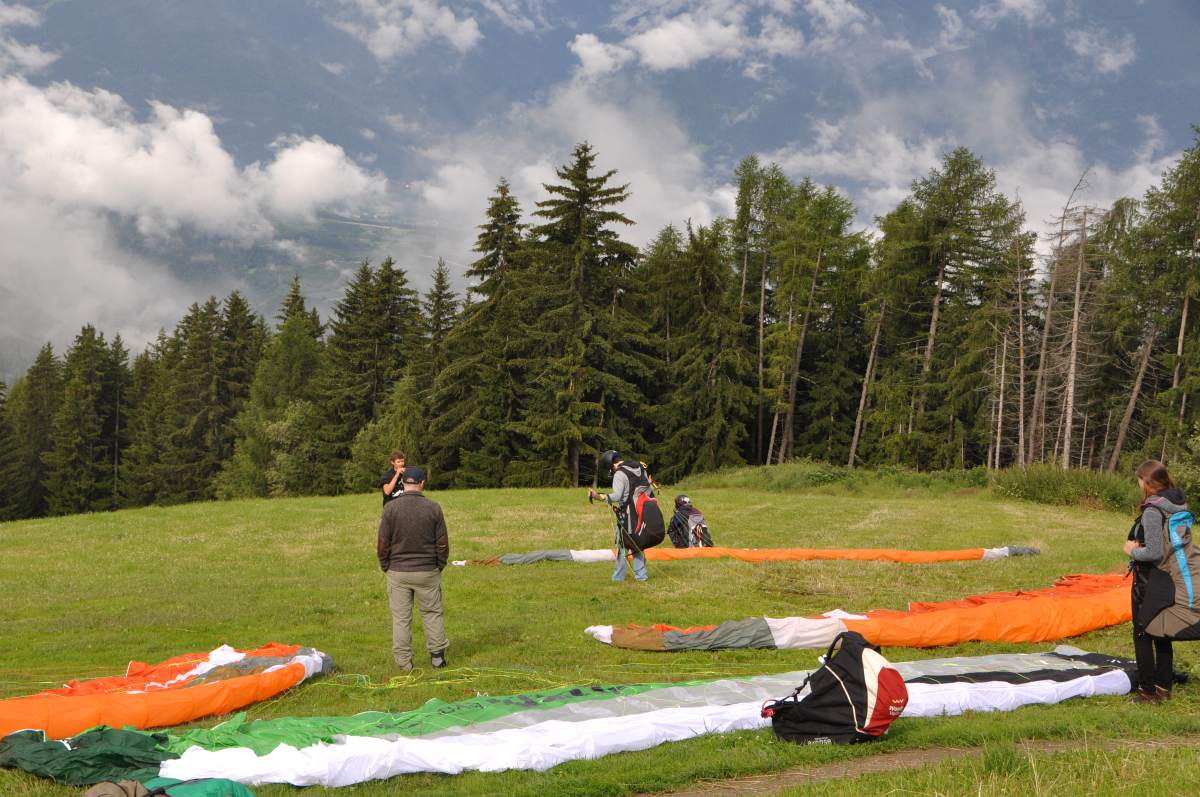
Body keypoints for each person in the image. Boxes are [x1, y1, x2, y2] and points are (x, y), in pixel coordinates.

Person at [1123, 459, 1200, 703]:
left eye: (1139, 480)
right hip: (1170, 578)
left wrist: (1132, 550)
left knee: (1143, 632)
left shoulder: (1153, 511)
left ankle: (1148, 691)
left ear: (1147, 482)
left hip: (1152, 578)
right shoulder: (1177, 504)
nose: (1138, 484)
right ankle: (1163, 688)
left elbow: (1154, 552)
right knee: (1160, 629)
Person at [377, 466, 449, 671]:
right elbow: (442, 543)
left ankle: (404, 663)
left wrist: (385, 566)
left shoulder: (390, 508)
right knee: (432, 613)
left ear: (402, 483)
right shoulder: (434, 508)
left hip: (398, 571)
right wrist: (439, 565)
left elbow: (382, 543)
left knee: (401, 618)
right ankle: (437, 659)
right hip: (427, 571)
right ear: (422, 483)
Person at [588, 450, 664, 582]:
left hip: (628, 515)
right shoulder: (639, 467)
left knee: (623, 544)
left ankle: (619, 577)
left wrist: (597, 496)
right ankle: (641, 576)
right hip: (641, 513)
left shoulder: (619, 474)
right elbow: (648, 489)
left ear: (611, 465)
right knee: (637, 543)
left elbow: (617, 496)